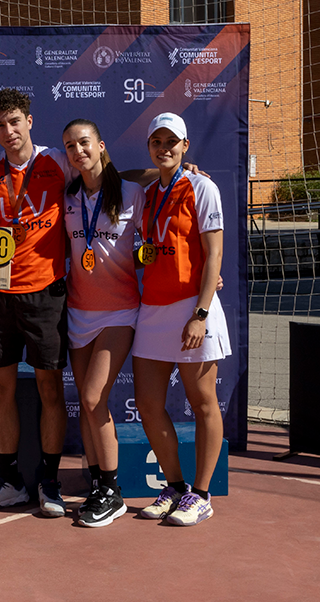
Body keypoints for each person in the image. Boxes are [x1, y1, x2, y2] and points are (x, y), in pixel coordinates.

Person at [0, 89, 75, 516]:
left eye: (14, 122)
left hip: (47, 292)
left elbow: (109, 178)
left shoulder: (58, 161)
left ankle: (49, 481)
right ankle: (10, 481)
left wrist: (187, 170)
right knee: (0, 390)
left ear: (30, 120)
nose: (8, 132)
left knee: (50, 388)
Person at [133, 112, 230, 526]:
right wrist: (156, 170)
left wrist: (201, 314)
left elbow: (214, 256)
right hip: (153, 309)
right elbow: (118, 173)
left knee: (203, 402)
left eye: (172, 142)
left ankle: (203, 495)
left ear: (186, 145)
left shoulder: (203, 187)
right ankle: (175, 487)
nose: (165, 148)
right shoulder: (147, 191)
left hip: (193, 307)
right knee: (149, 404)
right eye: (157, 141)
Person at [61, 119, 147, 527]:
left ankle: (112, 493)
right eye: (71, 146)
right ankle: (97, 482)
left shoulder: (133, 193)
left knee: (94, 397)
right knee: (85, 401)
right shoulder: (69, 196)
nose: (78, 151)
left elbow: (169, 235)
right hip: (79, 312)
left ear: (100, 145)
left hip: (120, 311)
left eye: (84, 143)